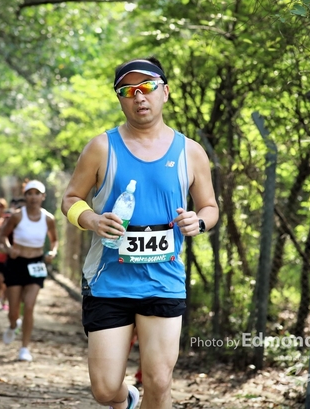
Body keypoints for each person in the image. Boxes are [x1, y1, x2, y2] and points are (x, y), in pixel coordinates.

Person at [60, 57, 219, 409]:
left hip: (164, 279)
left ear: (165, 92)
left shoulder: (191, 152)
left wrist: (199, 222)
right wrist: (92, 220)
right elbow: (69, 199)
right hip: (108, 281)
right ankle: (128, 397)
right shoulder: (101, 147)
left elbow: (210, 206)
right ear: (120, 99)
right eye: (128, 91)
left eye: (147, 87)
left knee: (160, 381)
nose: (139, 96)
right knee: (105, 390)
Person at [0, 180, 58, 362]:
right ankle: (13, 324)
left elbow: (54, 240)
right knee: (13, 310)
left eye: (37, 193)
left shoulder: (48, 219)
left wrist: (53, 252)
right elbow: (2, 237)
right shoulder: (16, 216)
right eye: (30, 193)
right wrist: (9, 249)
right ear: (25, 196)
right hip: (16, 263)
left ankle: (24, 348)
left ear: (43, 197)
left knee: (29, 306)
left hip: (36, 264)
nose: (33, 197)